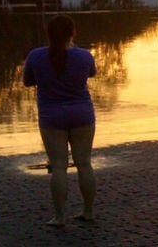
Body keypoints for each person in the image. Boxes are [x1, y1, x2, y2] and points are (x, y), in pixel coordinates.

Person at [22, 15, 98, 227]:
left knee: (58, 167)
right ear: (72, 32)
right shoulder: (84, 56)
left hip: (51, 116)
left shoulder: (35, 56)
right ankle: (89, 211)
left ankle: (60, 216)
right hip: (82, 114)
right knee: (84, 163)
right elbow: (92, 73)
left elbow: (27, 81)